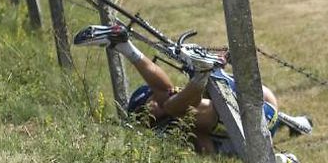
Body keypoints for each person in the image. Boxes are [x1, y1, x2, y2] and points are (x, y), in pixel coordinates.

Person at [73, 24, 299, 162]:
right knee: (174, 105)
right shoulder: (180, 128)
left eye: (151, 100)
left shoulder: (175, 109)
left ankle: (125, 46)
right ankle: (200, 72)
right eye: (150, 105)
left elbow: (164, 91)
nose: (155, 102)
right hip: (258, 118)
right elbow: (209, 151)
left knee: (172, 102)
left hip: (254, 108)